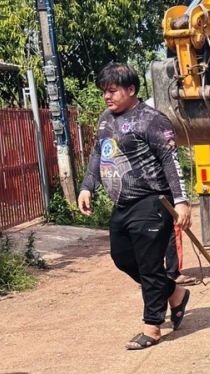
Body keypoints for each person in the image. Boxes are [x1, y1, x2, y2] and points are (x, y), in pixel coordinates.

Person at [78, 62, 192, 349]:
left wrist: (181, 201)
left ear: (131, 90)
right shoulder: (106, 119)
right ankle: (174, 293)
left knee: (149, 264)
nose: (107, 96)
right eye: (104, 91)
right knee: (122, 258)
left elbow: (170, 162)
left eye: (112, 90)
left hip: (153, 201)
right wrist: (87, 186)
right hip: (123, 204)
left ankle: (152, 327)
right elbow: (98, 155)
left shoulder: (152, 120)